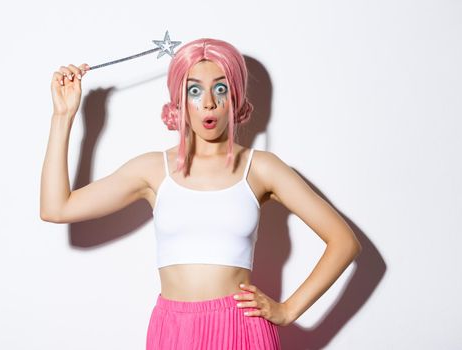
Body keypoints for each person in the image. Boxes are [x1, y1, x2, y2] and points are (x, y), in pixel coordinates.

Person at [40, 38, 362, 349]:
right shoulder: (153, 169)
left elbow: (344, 241)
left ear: (234, 96)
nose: (208, 102)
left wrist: (288, 310)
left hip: (241, 330)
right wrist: (63, 117)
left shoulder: (261, 168)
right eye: (195, 90)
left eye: (220, 88)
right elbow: (56, 208)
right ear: (179, 100)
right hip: (173, 330)